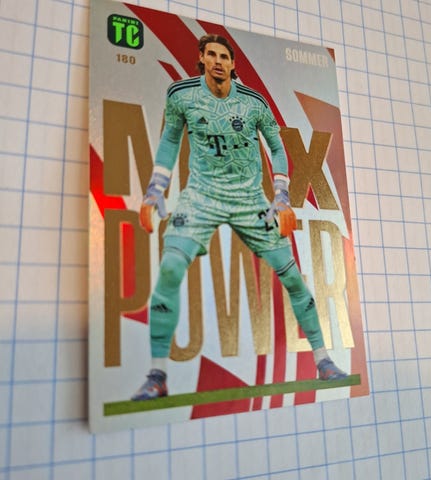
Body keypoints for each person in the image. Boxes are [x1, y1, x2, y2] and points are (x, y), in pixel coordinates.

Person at [131, 34, 346, 400]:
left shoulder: (254, 103)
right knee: (169, 269)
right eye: (211, 55)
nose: (218, 61)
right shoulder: (181, 95)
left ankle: (324, 361)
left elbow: (277, 147)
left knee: (292, 277)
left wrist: (281, 197)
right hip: (201, 197)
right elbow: (169, 141)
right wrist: (156, 189)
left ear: (233, 64)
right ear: (201, 58)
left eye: (224, 57)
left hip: (249, 200)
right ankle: (157, 375)